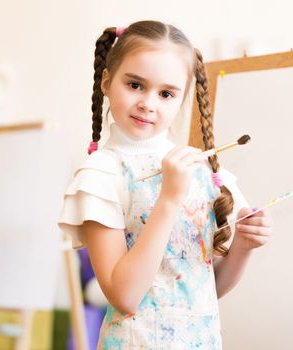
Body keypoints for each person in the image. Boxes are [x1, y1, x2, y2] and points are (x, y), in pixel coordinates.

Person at [58, 21, 273, 349]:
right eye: (134, 85)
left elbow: (203, 289)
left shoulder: (198, 168)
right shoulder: (101, 174)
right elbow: (124, 295)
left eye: (166, 93)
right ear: (106, 81)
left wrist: (242, 248)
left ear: (181, 98)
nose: (148, 103)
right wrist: (169, 200)